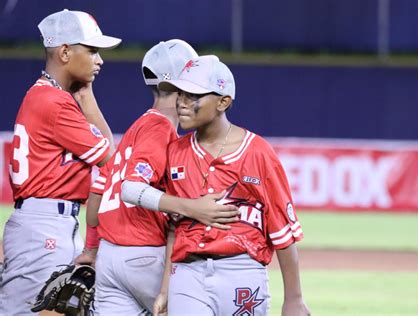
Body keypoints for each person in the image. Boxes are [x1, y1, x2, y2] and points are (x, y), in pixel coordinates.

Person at [74, 40, 240, 315]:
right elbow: (131, 188)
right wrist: (191, 207)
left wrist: (91, 249)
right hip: (144, 253)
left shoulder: (135, 129)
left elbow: (97, 193)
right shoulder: (160, 130)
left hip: (110, 257)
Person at [157, 55, 311, 315]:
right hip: (186, 273)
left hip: (242, 272)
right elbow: (173, 228)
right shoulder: (174, 151)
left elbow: (282, 231)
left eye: (193, 95)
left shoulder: (258, 153)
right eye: (180, 94)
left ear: (223, 101)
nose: (181, 103)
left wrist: (294, 298)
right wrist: (165, 289)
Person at [0, 9, 121, 315]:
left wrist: (83, 95)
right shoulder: (54, 103)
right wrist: (88, 96)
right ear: (65, 52)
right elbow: (110, 158)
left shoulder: (51, 97)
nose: (99, 59)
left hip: (53, 224)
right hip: (43, 228)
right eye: (92, 50)